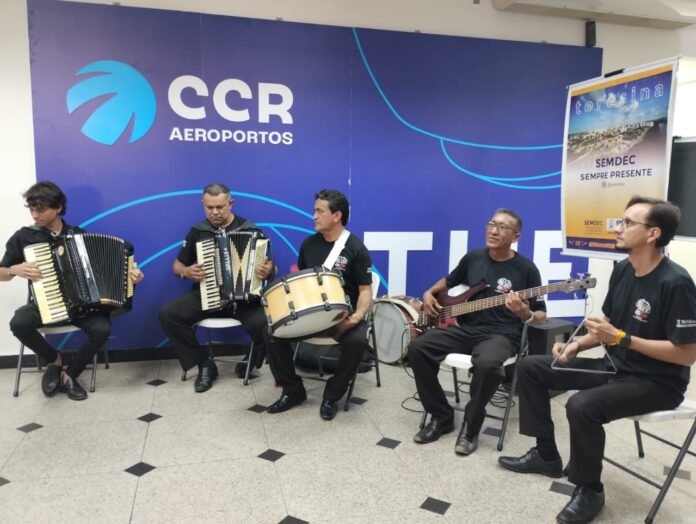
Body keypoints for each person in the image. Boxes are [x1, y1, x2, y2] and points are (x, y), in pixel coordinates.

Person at [498, 196, 696, 524]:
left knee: (582, 405)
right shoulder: (623, 270)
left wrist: (622, 339)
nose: (618, 228)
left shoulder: (676, 282)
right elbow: (609, 326)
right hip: (615, 367)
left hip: (657, 382)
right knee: (531, 367)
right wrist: (576, 345)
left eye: (628, 223)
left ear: (653, 234)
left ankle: (590, 489)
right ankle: (546, 454)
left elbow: (687, 354)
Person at [409, 208, 547, 455]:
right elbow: (449, 281)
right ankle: (441, 416)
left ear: (516, 237)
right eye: (491, 224)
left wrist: (525, 313)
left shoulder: (527, 269)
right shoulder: (473, 258)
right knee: (418, 348)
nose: (494, 231)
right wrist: (429, 292)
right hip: (465, 328)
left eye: (502, 227)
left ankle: (471, 428)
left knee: (488, 365)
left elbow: (540, 315)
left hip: (503, 335)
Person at [1, 181, 144, 400]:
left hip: (80, 306)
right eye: (32, 209)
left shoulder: (79, 235)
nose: (35, 215)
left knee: (102, 328)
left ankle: (70, 374)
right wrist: (13, 269)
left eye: (41, 209)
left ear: (58, 208)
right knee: (18, 323)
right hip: (45, 303)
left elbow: (100, 275)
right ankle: (55, 360)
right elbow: (2, 273)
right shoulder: (24, 237)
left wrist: (131, 277)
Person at [265, 189, 373, 421]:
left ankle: (332, 396)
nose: (314, 216)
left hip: (341, 317)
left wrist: (357, 316)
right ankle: (293, 390)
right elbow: (303, 284)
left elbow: (365, 290)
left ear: (337, 215)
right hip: (311, 314)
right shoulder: (308, 244)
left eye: (319, 211)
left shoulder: (355, 248)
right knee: (272, 333)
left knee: (357, 341)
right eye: (314, 210)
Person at [159, 182, 273, 392]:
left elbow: (269, 266)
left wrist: (268, 270)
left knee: (267, 323)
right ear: (203, 204)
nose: (214, 212)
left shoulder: (251, 230)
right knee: (169, 314)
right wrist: (186, 272)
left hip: (244, 300)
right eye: (209, 207)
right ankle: (204, 363)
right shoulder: (198, 231)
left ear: (231, 203)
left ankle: (250, 360)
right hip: (207, 294)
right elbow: (177, 265)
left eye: (219, 207)